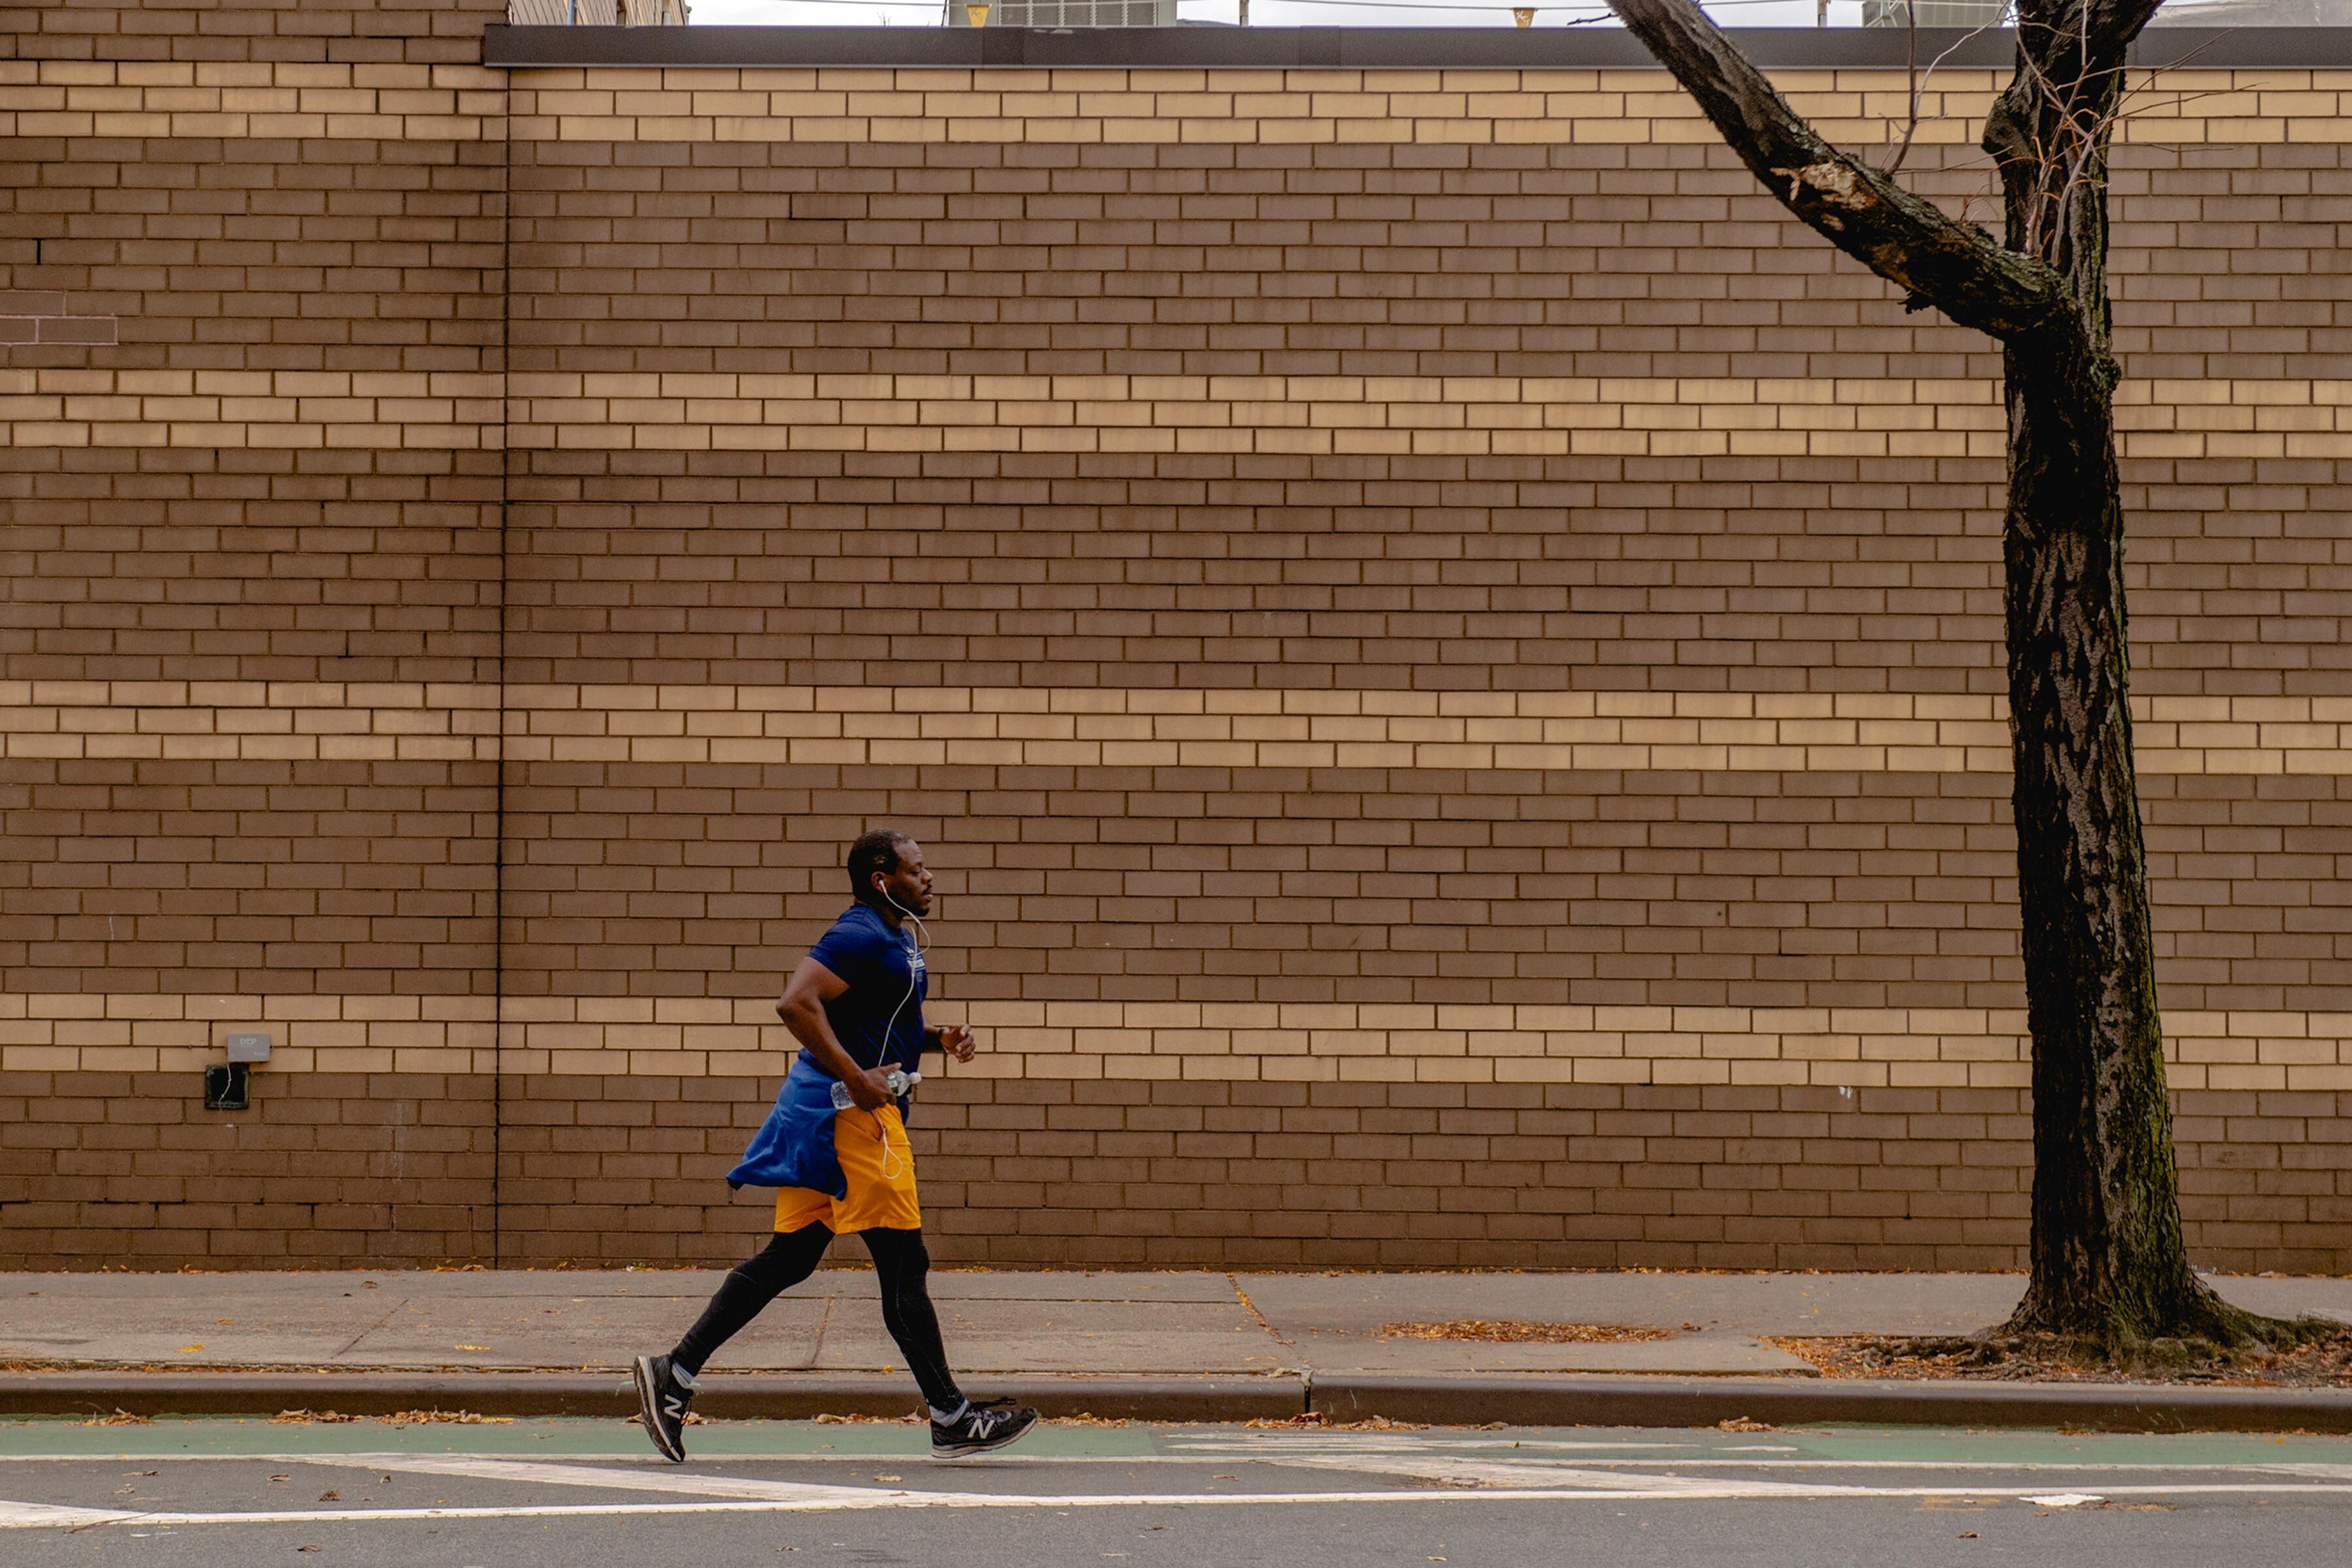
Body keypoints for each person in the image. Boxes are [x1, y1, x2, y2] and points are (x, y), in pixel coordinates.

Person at [632, 830, 1038, 1462]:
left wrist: (936, 1039)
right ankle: (952, 1416)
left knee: (790, 1258)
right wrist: (857, 1076)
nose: (929, 878)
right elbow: (796, 1003)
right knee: (906, 1266)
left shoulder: (894, 938)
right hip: (855, 1122)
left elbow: (868, 1020)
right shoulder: (858, 934)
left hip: (828, 1113)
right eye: (917, 868)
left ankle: (673, 1375)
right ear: (882, 877)